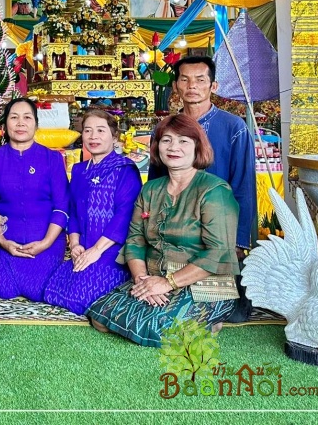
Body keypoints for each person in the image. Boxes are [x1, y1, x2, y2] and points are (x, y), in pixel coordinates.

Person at [87, 114, 240, 347]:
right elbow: (135, 240)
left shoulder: (214, 190)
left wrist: (168, 283)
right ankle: (183, 318)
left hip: (201, 284)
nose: (173, 147)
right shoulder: (150, 190)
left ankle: (211, 319)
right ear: (157, 148)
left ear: (198, 147)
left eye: (183, 141)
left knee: (158, 331)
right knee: (99, 316)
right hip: (153, 277)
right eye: (166, 140)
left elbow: (218, 252)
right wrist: (142, 280)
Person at [147, 56, 256, 322]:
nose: (191, 85)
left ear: (213, 85)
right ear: (176, 86)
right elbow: (154, 185)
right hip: (175, 231)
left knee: (233, 315)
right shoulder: (163, 129)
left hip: (218, 233)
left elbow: (243, 186)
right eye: (184, 79)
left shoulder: (234, 128)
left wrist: (239, 241)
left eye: (200, 79)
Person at [42, 109, 142, 315]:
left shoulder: (125, 169)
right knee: (51, 291)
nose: (93, 137)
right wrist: (76, 243)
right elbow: (73, 210)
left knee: (81, 298)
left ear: (114, 136)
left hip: (112, 250)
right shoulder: (79, 170)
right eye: (88, 131)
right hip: (84, 247)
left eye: (100, 130)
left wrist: (96, 250)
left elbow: (125, 215)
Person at [0, 98, 70, 302]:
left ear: (36, 125)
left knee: (39, 291)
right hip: (6, 241)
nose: (20, 123)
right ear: (4, 126)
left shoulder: (52, 158)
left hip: (45, 242)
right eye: (14, 117)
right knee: (1, 289)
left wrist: (45, 242)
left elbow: (62, 205)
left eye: (27, 117)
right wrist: (2, 242)